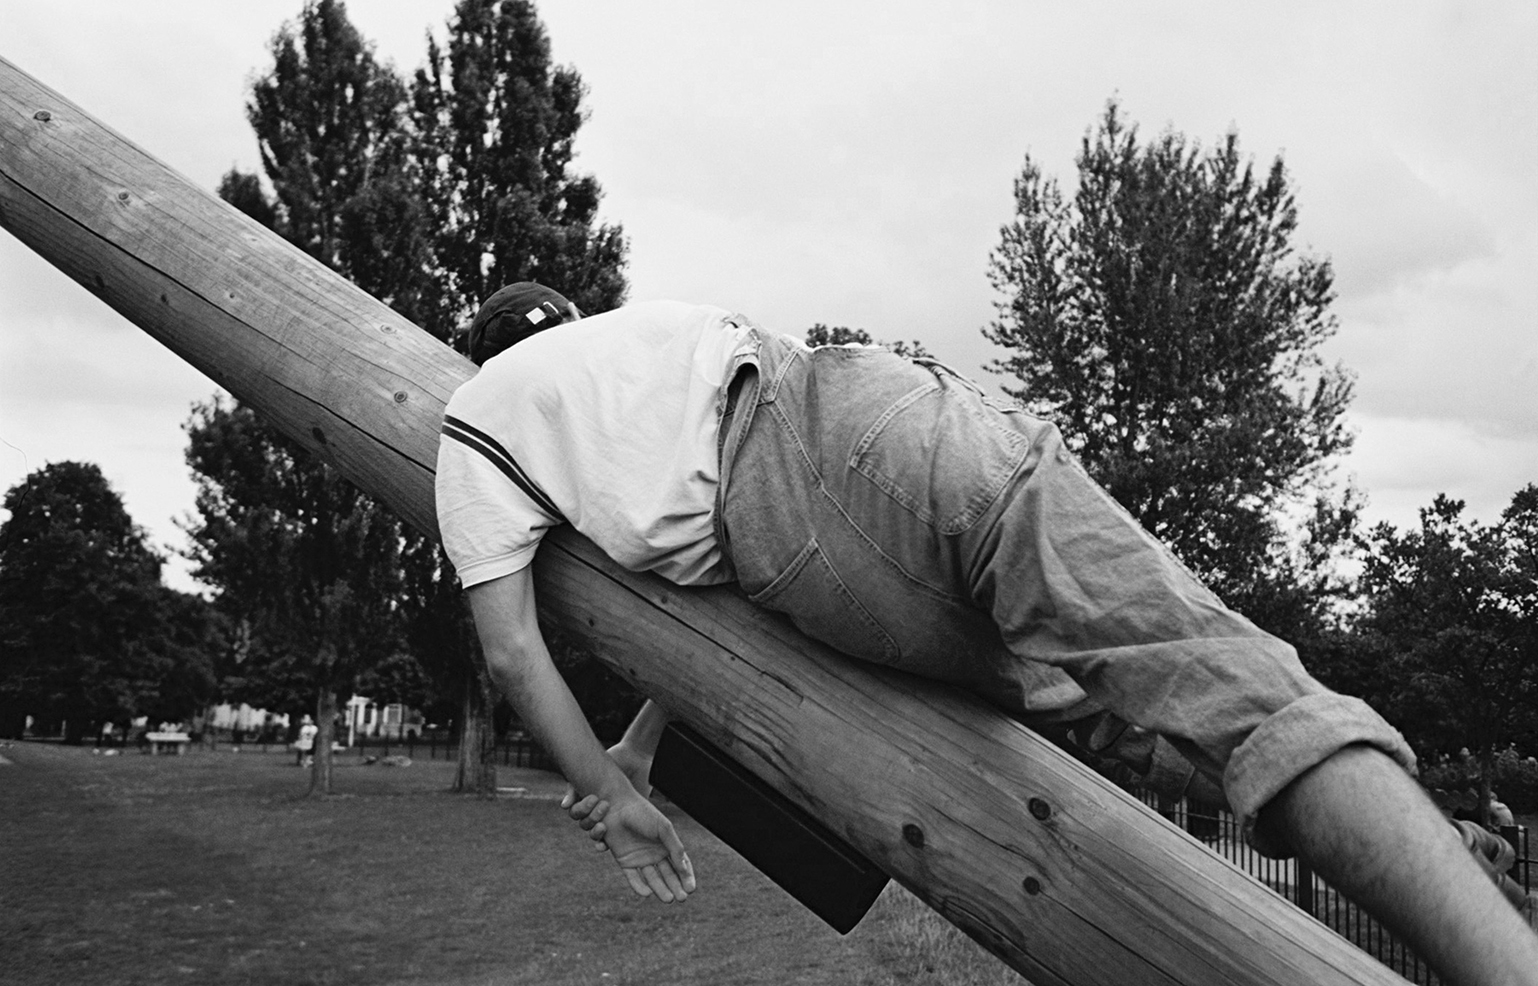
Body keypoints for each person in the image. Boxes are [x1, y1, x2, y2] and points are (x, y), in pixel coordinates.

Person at [436, 283, 1538, 985]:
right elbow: (712, 608)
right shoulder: (629, 346)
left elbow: (513, 650)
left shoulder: (477, 418)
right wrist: (641, 742)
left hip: (805, 512)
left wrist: (612, 793)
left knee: (1099, 711)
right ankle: (1435, 843)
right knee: (1174, 673)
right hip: (868, 402)